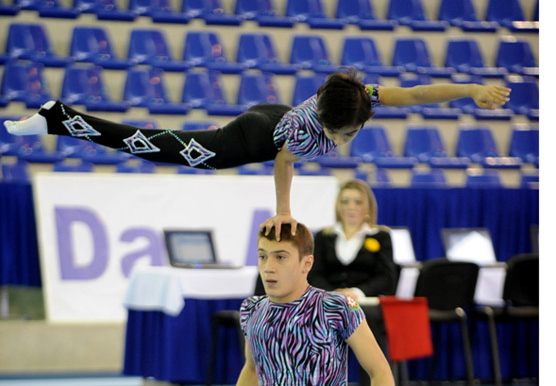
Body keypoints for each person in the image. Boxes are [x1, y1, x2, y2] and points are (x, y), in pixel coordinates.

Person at [0, 223, 395, 386]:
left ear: (306, 263)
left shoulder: (336, 306)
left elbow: (380, 374)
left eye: (280, 257)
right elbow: (253, 373)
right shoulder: (253, 309)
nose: (269, 267)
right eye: (262, 257)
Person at [4, 69, 510, 238]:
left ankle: (58, 118)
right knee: (157, 146)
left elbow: (419, 95)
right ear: (337, 125)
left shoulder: (364, 97)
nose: (356, 133)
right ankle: (58, 117)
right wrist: (285, 209)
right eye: (350, 132)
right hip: (252, 137)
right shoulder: (309, 134)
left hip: (272, 115)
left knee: (160, 144)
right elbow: (285, 161)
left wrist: (469, 91)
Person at [309, 178, 396, 371]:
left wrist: (356, 292)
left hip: (365, 303)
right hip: (330, 300)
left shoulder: (381, 236)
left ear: (368, 207)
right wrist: (334, 293)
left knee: (368, 318)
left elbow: (387, 278)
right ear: (338, 206)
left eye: (358, 202)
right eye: (345, 201)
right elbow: (314, 274)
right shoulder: (323, 236)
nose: (351, 207)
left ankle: (375, 383)